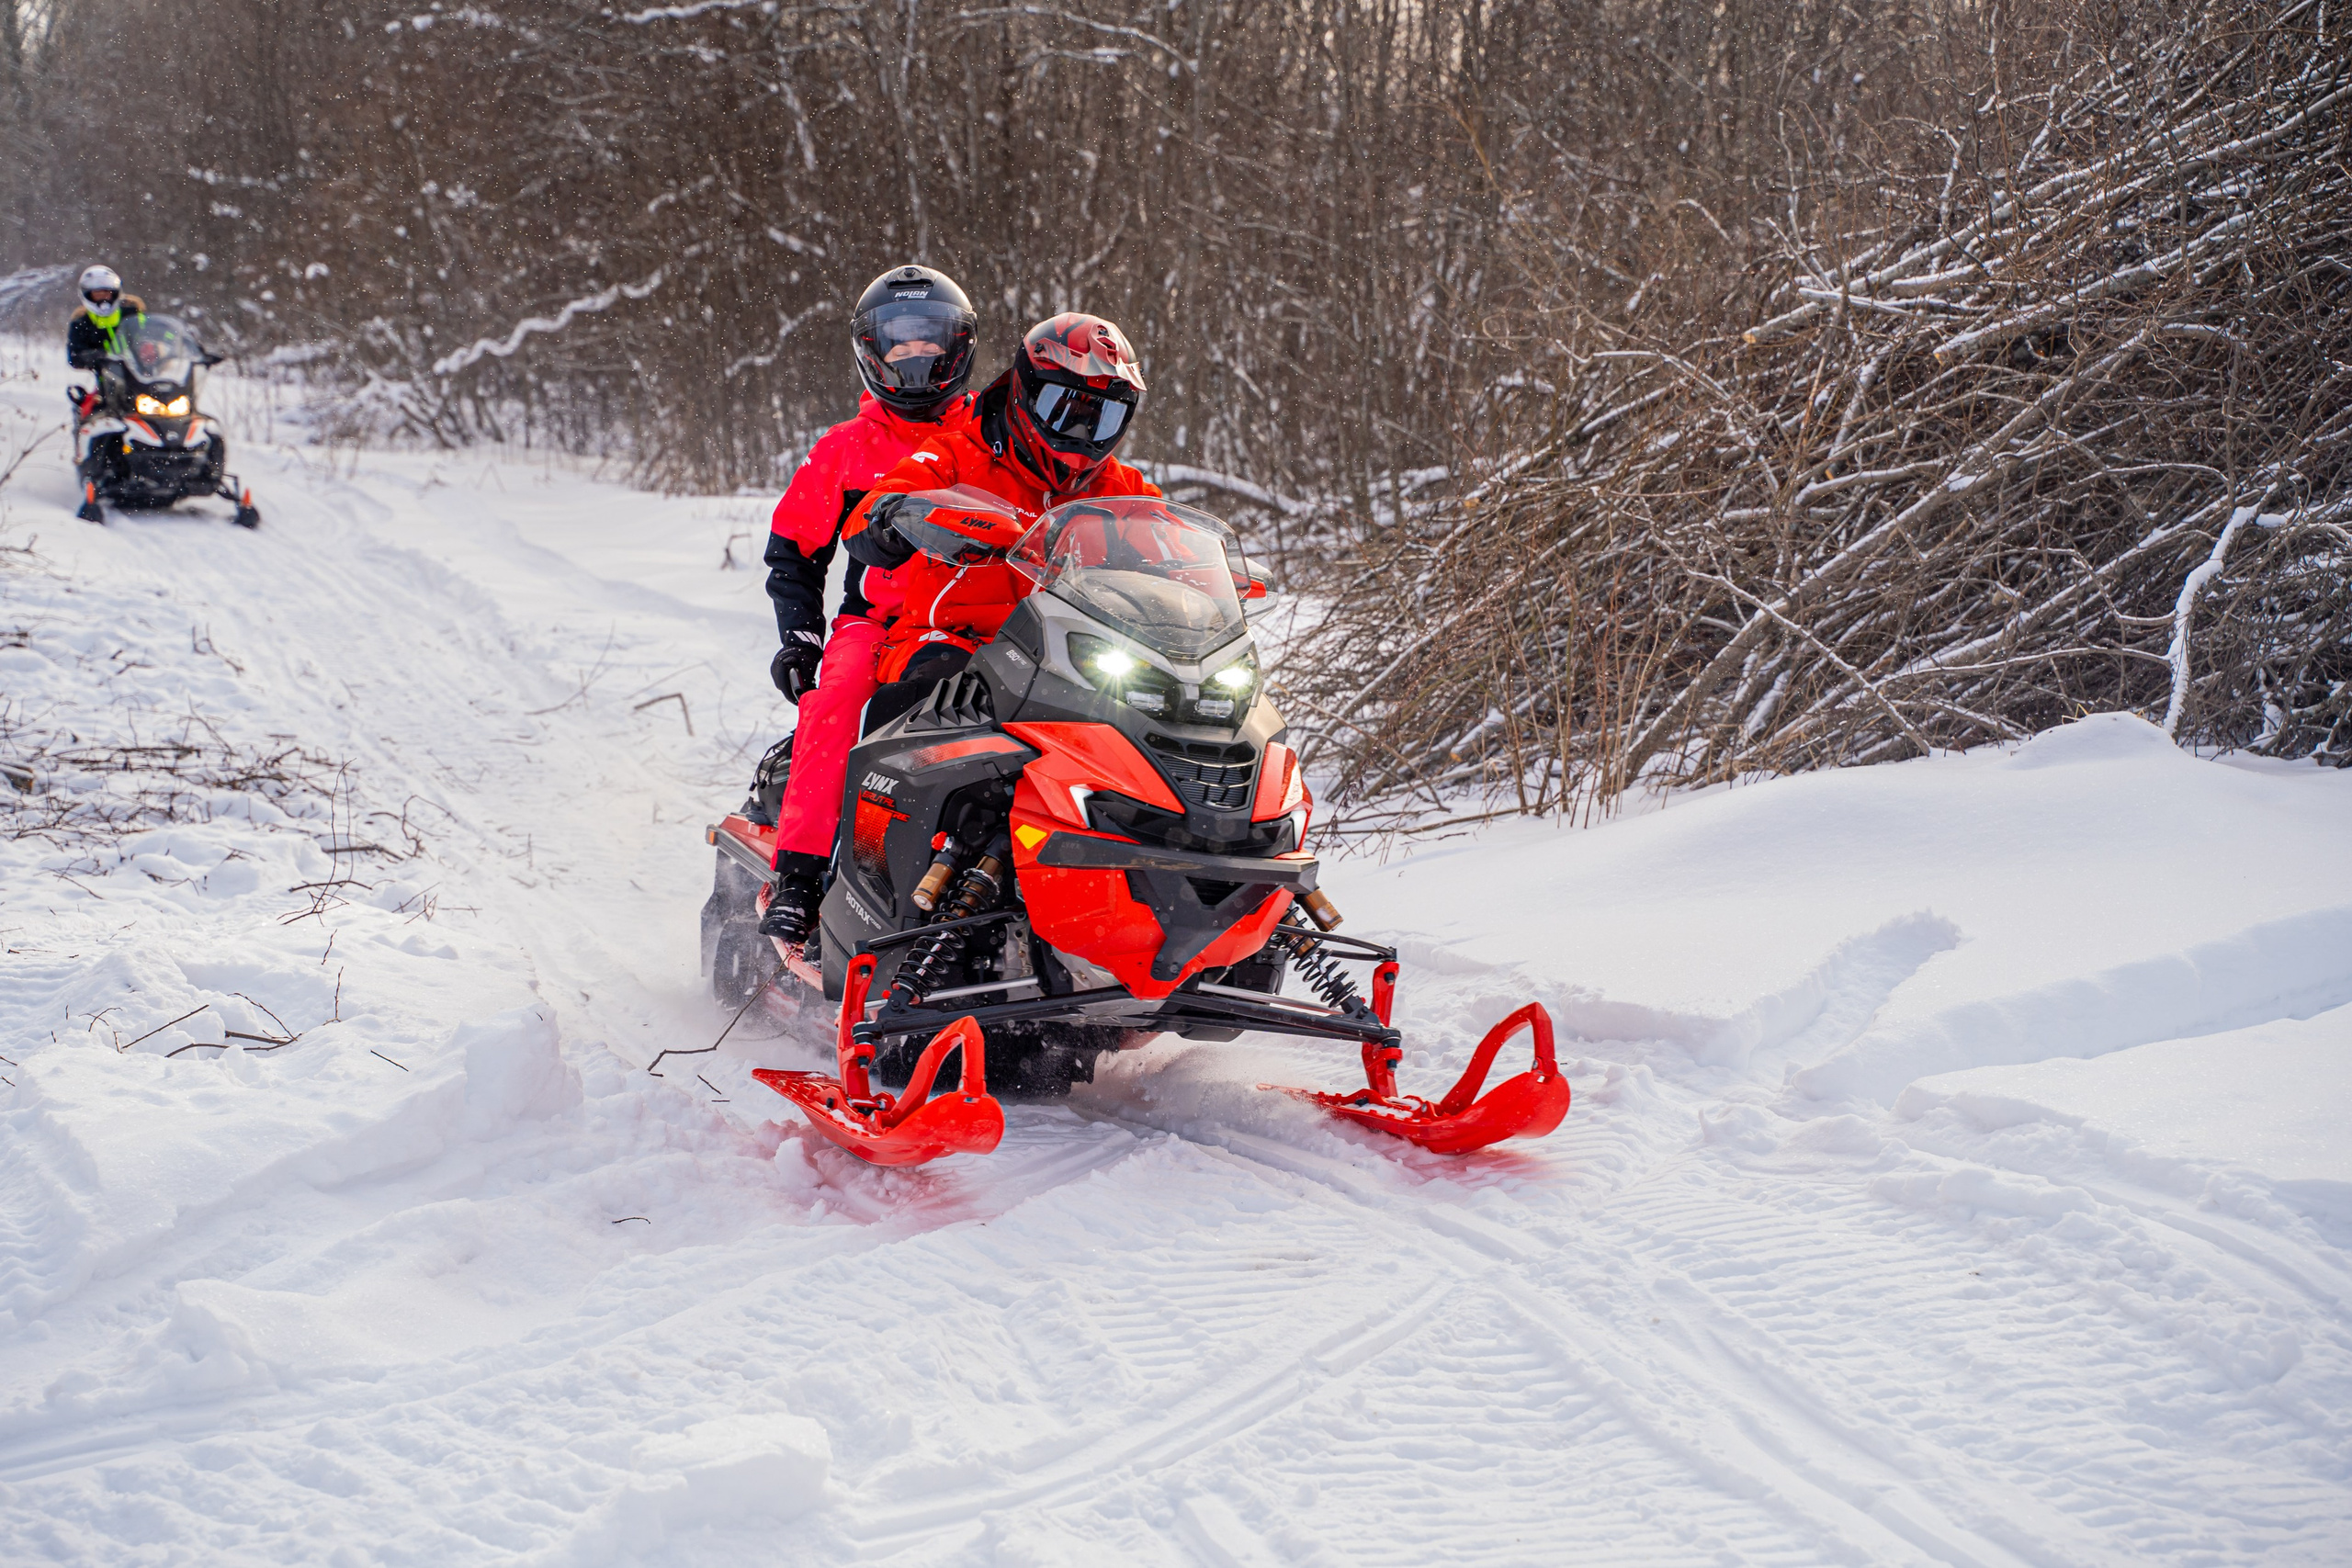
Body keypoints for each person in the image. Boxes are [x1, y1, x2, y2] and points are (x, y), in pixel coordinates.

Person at [757, 264, 979, 939]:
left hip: (984, 620)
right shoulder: (845, 449)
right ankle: (800, 877)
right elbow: (794, 551)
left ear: (959, 346)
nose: (916, 355)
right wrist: (800, 637)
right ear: (871, 351)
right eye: (899, 341)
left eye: (930, 340)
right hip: (878, 623)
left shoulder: (988, 438)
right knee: (837, 704)